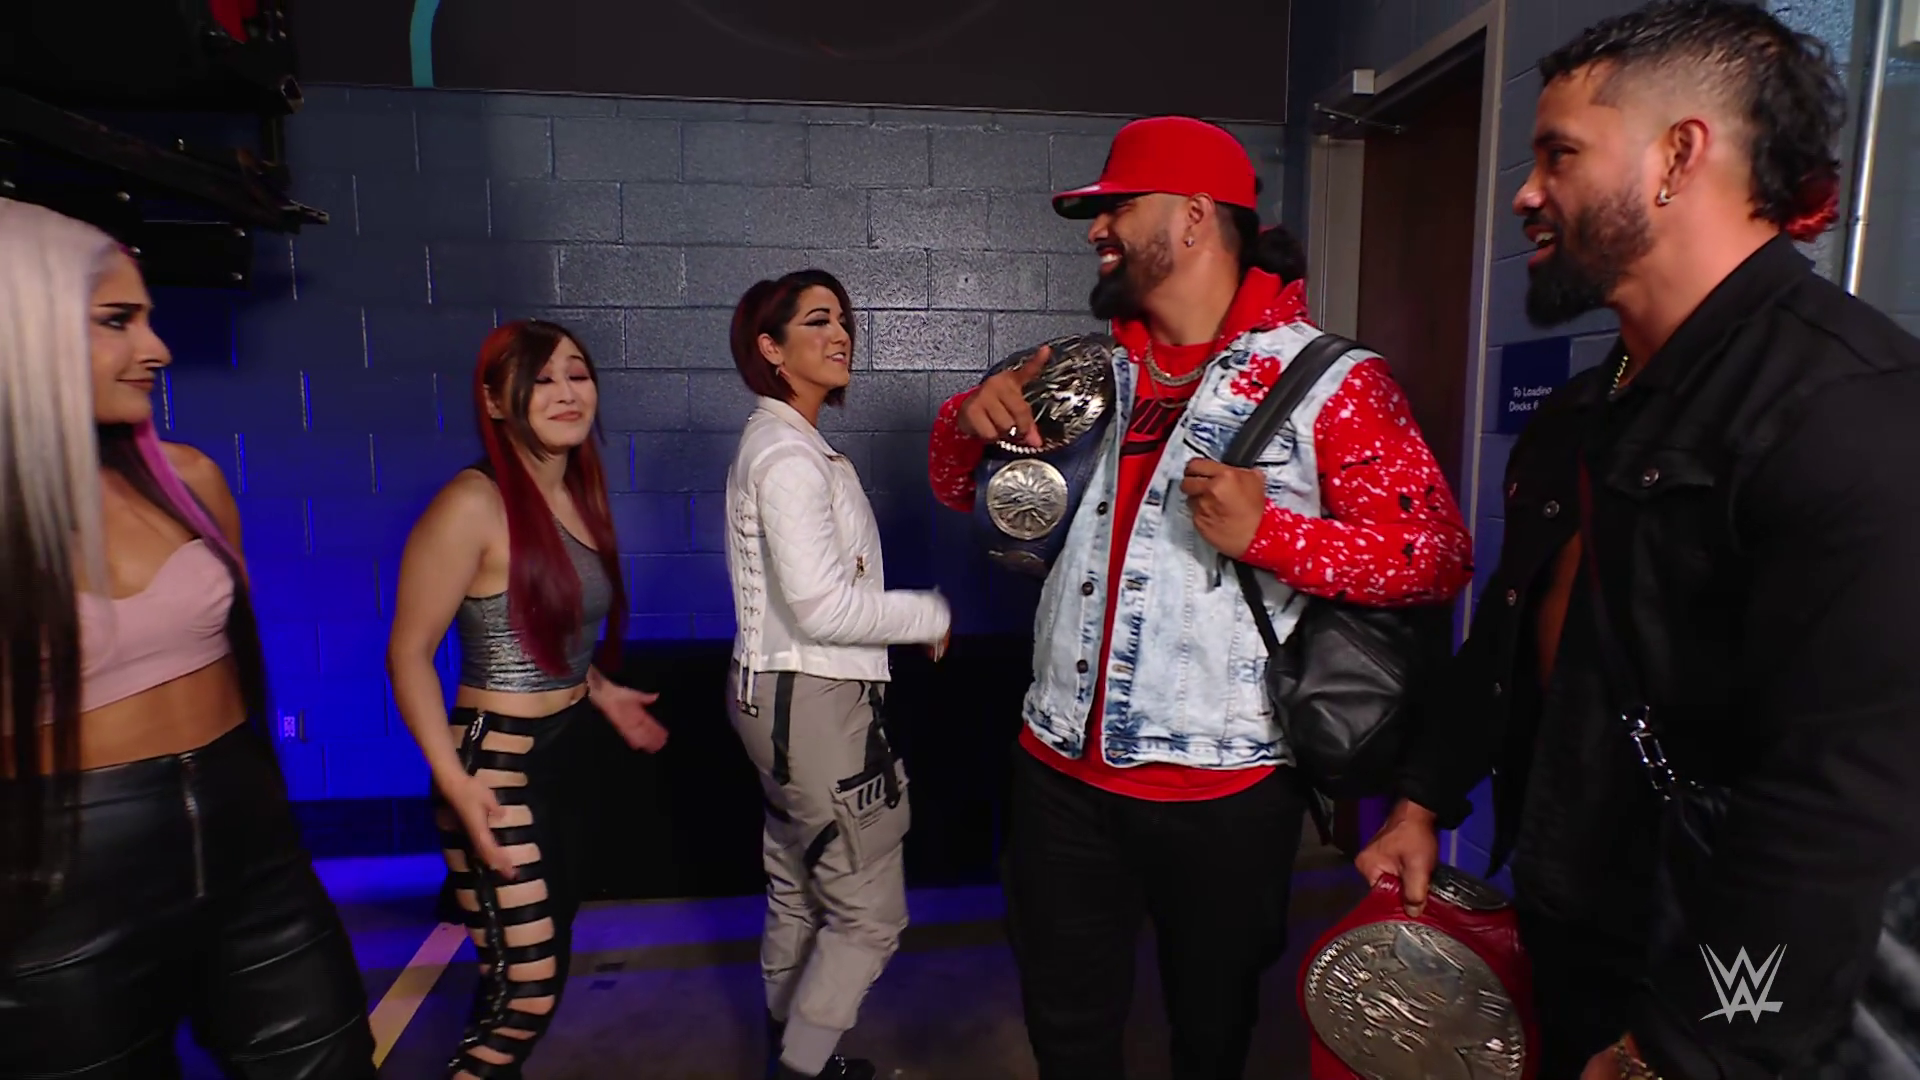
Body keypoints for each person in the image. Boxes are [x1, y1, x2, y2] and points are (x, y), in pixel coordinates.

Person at [1357, 3, 1920, 1079]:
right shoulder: (1589, 410)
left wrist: (1688, 1044)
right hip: (1578, 910)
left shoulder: (1851, 410)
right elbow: (1517, 626)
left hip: (1719, 985)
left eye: (1559, 154)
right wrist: (1424, 797)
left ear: (1677, 156)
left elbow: (1843, 814)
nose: (1525, 193)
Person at [926, 116, 1474, 1080]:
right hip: (1056, 772)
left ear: (1192, 216)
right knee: (1066, 1033)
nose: (1098, 231)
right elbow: (953, 487)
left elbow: (1435, 557)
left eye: (1117, 208)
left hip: (1225, 790)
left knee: (1210, 1036)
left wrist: (1272, 535)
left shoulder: (1333, 382)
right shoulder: (1079, 372)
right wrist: (965, 425)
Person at [0, 198, 376, 1077]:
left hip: (253, 850)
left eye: (148, 317)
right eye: (116, 321)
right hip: (61, 883)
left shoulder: (187, 478)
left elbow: (240, 670)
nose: (157, 348)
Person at [387, 318, 668, 1080]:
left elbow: (551, 632)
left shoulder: (575, 494)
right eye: (540, 379)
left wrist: (599, 692)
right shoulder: (472, 504)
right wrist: (455, 781)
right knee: (529, 993)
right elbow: (407, 655)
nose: (566, 392)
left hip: (565, 757)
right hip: (495, 768)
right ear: (494, 400)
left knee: (517, 974)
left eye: (576, 374)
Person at [722, 270, 952, 1080]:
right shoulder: (788, 455)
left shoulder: (786, 442)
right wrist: (927, 614)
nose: (841, 333)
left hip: (783, 695)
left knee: (797, 887)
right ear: (770, 347)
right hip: (810, 699)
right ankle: (802, 1067)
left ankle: (796, 1059)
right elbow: (821, 607)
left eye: (844, 319)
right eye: (818, 320)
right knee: (868, 918)